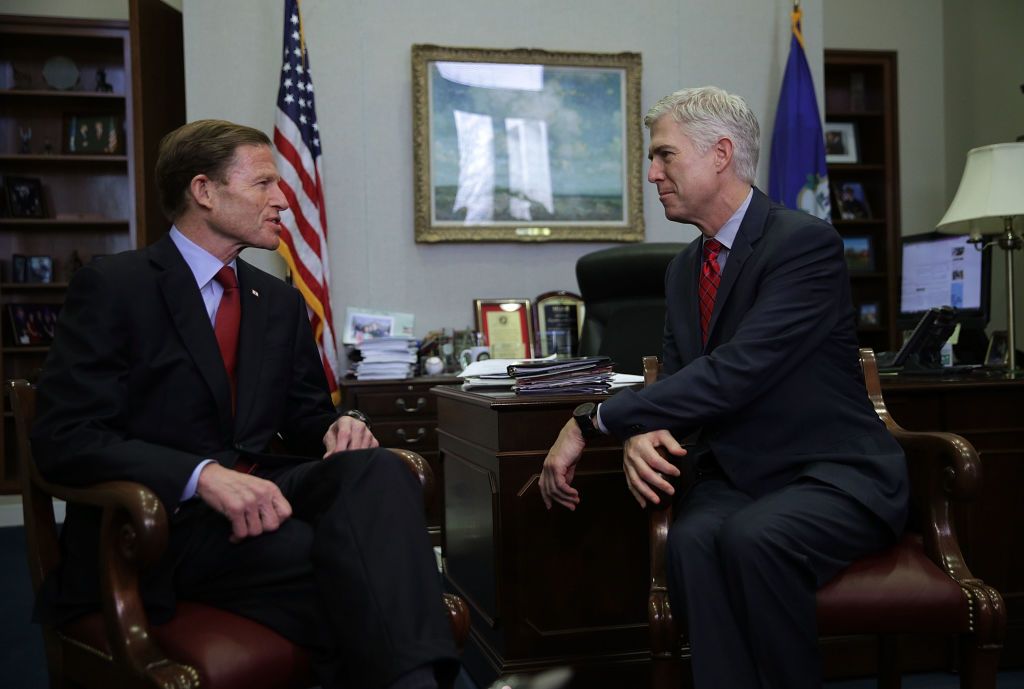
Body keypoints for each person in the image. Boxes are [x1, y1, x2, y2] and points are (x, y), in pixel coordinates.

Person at [31, 119, 457, 689]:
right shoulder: (117, 285)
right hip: (164, 522)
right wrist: (200, 475)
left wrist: (343, 425)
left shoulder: (277, 300)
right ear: (204, 191)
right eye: (263, 184)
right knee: (355, 562)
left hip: (267, 496)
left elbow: (307, 417)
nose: (283, 200)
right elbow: (67, 437)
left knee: (379, 471)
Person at [539, 87, 908, 689]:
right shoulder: (685, 268)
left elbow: (737, 372)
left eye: (664, 155)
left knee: (752, 538)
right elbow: (687, 383)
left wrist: (595, 419)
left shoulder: (803, 244)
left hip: (832, 474)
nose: (652, 173)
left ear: (720, 154)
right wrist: (644, 429)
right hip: (738, 478)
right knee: (692, 541)